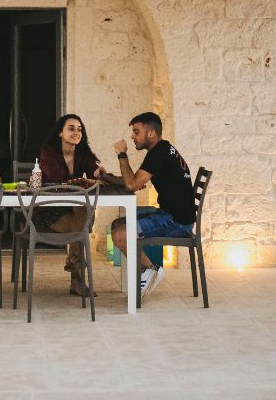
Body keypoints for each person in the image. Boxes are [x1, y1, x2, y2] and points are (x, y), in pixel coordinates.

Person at [105, 112, 195, 300]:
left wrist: (122, 154)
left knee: (121, 234)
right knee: (117, 224)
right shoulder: (162, 150)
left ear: (151, 133)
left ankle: (151, 270)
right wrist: (107, 178)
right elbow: (135, 180)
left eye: (136, 132)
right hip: (170, 214)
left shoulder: (159, 153)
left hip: (177, 222)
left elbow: (132, 185)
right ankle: (146, 272)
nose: (132, 136)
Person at [33, 113, 103, 297]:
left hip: (73, 210)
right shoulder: (48, 151)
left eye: (79, 129)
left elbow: (94, 173)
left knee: (85, 210)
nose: (76, 133)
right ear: (60, 133)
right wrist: (80, 182)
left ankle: (74, 264)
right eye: (71, 128)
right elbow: (56, 179)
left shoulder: (83, 153)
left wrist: (98, 172)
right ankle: (77, 277)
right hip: (48, 211)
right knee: (85, 218)